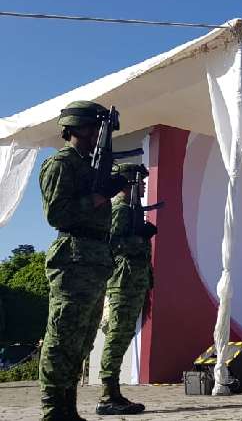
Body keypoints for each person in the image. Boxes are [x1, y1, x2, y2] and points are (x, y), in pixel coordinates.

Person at [38, 101, 129, 421]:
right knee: (62, 335)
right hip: (73, 255)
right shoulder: (61, 164)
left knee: (83, 338)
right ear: (74, 128)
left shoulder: (90, 166)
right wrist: (100, 195)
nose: (95, 134)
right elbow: (56, 214)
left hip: (93, 257)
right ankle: (53, 410)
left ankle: (68, 408)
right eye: (91, 127)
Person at [96, 164, 156, 416]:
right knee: (117, 335)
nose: (143, 185)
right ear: (127, 183)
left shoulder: (132, 211)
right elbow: (111, 244)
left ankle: (113, 391)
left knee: (122, 335)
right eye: (139, 180)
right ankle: (108, 394)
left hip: (133, 282)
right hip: (122, 283)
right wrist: (138, 238)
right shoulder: (120, 209)